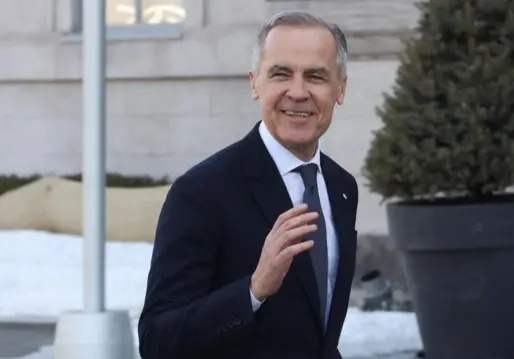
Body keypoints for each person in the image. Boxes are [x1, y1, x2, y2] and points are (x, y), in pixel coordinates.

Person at [137, 11, 359, 359]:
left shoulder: (342, 187)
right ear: (255, 84)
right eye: (281, 74)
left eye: (315, 76)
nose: (298, 92)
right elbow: (157, 340)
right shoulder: (201, 192)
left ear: (340, 89)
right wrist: (254, 290)